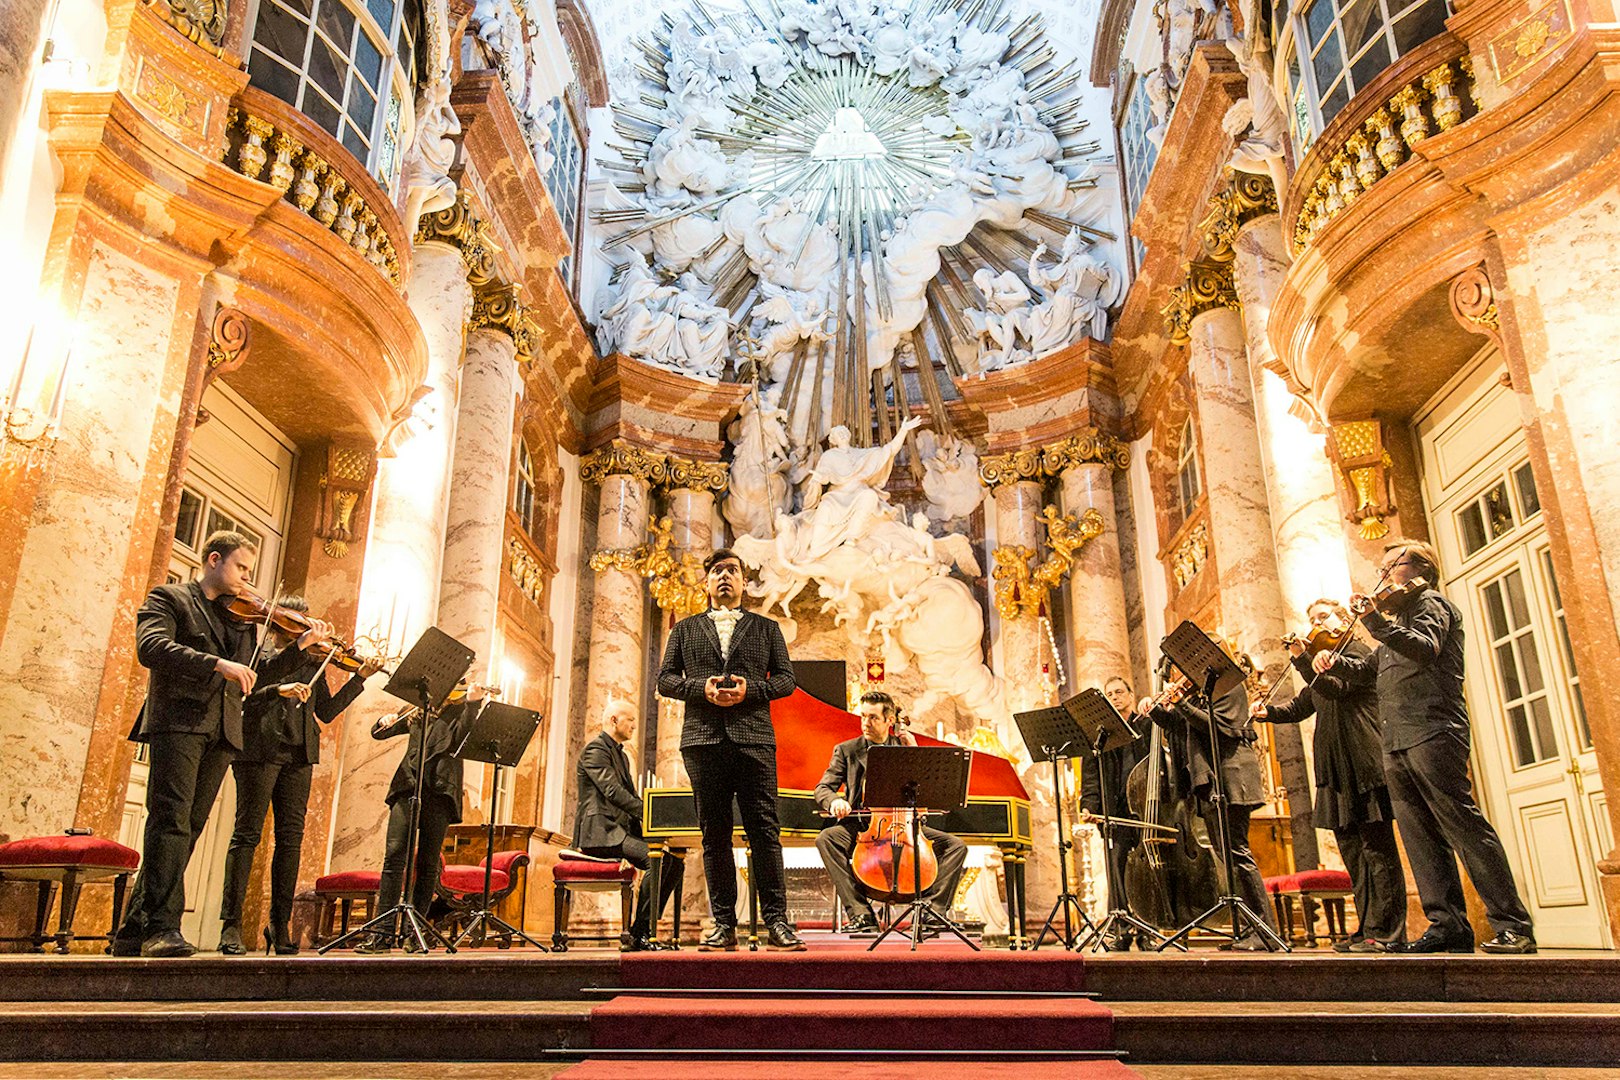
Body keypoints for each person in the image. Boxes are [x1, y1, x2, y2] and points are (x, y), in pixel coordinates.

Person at [113, 532, 331, 957]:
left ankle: (134, 926)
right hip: (179, 722)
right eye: (242, 568)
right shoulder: (170, 599)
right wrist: (215, 663)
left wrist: (300, 650)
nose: (249, 579)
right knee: (171, 821)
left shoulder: (241, 621)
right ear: (214, 560)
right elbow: (151, 647)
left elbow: (257, 675)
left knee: (189, 827)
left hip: (223, 732)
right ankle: (162, 927)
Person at [1315, 539, 1535, 954]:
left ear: (1418, 569)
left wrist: (1376, 621)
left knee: (1463, 827)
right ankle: (1447, 925)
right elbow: (1368, 671)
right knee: (1420, 837)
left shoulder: (1432, 604)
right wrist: (1331, 662)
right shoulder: (1396, 626)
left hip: (1433, 730)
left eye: (1389, 566)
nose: (1381, 574)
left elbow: (1425, 647)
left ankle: (1512, 924)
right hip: (1396, 739)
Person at [217, 596, 382, 955]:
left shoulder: (311, 661)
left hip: (299, 754)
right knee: (246, 835)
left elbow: (325, 711)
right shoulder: (258, 651)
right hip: (258, 750)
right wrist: (278, 689)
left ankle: (279, 923)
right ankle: (230, 925)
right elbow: (240, 693)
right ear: (279, 624)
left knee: (290, 841)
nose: (305, 632)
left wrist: (359, 680)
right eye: (298, 625)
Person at [657, 548, 803, 952]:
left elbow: (787, 680)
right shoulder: (684, 630)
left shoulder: (766, 628)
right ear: (707, 583)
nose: (724, 577)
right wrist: (699, 689)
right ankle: (724, 924)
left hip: (754, 739)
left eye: (732, 571)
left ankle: (777, 922)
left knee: (765, 833)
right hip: (702, 741)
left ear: (743, 583)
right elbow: (666, 680)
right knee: (713, 835)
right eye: (717, 571)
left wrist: (751, 690)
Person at [1252, 599, 1407, 952]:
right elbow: (1302, 705)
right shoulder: (1322, 662)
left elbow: (1336, 688)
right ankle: (1367, 928)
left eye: (1323, 616)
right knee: (1353, 851)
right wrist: (1267, 714)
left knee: (1377, 849)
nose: (1316, 623)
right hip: (1335, 769)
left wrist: (1304, 660)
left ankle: (1388, 933)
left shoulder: (1359, 653)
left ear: (1344, 619)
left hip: (1363, 763)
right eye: (1311, 619)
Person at [1144, 646, 1280, 950]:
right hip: (1208, 780)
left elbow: (1221, 728)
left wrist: (1182, 704)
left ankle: (1264, 929)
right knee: (1225, 854)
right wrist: (1156, 711)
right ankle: (1248, 927)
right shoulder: (1198, 694)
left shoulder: (1230, 686)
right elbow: (1184, 728)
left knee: (1237, 852)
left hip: (1230, 774)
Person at [813, 691, 968, 934]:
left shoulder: (905, 746)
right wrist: (833, 802)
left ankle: (933, 912)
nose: (865, 723)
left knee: (956, 846)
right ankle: (861, 913)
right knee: (827, 838)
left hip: (906, 824)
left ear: (889, 720)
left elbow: (927, 791)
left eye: (873, 718)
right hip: (863, 825)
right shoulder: (847, 750)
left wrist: (915, 753)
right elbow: (823, 788)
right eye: (863, 716)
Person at [354, 683, 491, 953]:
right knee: (394, 855)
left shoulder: (461, 710)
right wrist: (384, 720)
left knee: (428, 862)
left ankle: (413, 932)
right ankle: (381, 933)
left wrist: (473, 703)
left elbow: (463, 738)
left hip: (440, 791)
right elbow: (378, 733)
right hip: (408, 784)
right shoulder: (419, 710)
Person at [573, 700, 685, 951]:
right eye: (630, 720)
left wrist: (653, 819)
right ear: (614, 720)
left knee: (675, 864)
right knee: (657, 861)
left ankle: (643, 929)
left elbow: (630, 796)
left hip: (618, 830)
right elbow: (612, 791)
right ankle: (641, 933)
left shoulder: (620, 754)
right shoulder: (596, 750)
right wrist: (650, 812)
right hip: (601, 832)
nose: (635, 725)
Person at [1078, 676, 1151, 950]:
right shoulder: (1100, 734)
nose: (1115, 697)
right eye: (1110, 694)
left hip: (1145, 808)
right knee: (1116, 867)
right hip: (1115, 810)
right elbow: (1091, 774)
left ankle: (1148, 929)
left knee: (1146, 871)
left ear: (1131, 695)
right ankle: (1120, 928)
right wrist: (1089, 804)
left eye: (1120, 692)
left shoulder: (1145, 724)